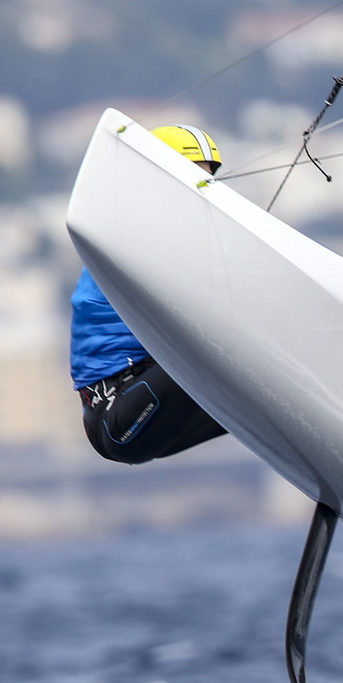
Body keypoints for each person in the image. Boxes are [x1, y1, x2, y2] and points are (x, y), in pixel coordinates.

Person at [70, 124, 228, 464]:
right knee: (227, 348)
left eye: (209, 180)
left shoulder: (173, 233)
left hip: (139, 410)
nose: (203, 191)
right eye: (193, 179)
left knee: (261, 406)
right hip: (118, 414)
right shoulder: (133, 233)